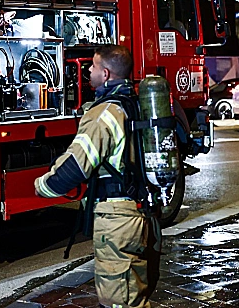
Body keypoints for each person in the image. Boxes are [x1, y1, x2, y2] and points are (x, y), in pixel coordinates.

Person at [34, 44, 160, 308]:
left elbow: (76, 167)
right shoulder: (135, 104)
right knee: (134, 294)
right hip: (140, 214)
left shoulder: (105, 114)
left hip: (116, 221)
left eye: (92, 66)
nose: (88, 70)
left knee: (120, 301)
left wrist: (42, 186)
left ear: (105, 74)